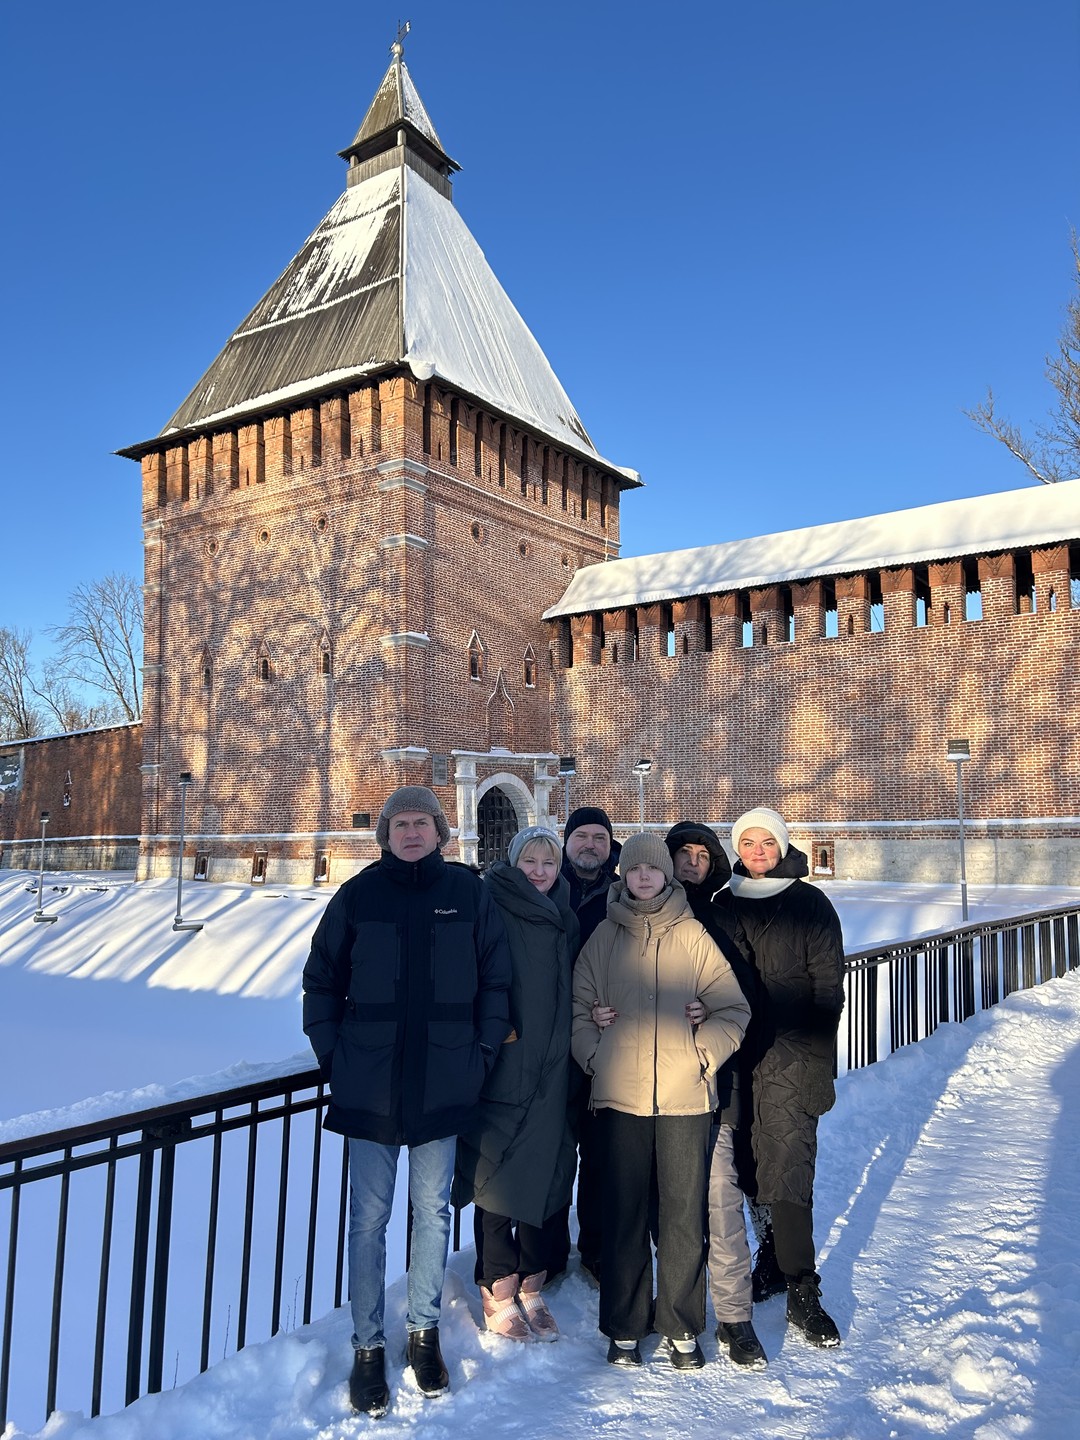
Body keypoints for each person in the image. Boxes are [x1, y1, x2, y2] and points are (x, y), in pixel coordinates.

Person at [302, 786, 511, 1418]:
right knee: (367, 1220)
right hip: (370, 1085)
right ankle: (367, 1344)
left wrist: (480, 1052)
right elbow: (321, 980)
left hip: (443, 1081)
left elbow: (495, 980)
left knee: (433, 1214)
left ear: (440, 831)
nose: (412, 832)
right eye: (401, 824)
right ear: (386, 835)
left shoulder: (468, 893)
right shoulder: (358, 895)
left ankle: (424, 1332)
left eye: (423, 822)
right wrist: (335, 1057)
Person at [572, 833, 750, 1370]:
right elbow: (579, 1009)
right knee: (624, 1217)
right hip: (620, 1099)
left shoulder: (693, 934)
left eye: (652, 869)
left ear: (666, 876)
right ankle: (625, 1327)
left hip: (684, 1100)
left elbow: (733, 1009)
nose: (644, 877)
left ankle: (680, 1324)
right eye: (635, 869)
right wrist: (596, 1055)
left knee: (681, 1216)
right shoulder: (604, 936)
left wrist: (702, 1054)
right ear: (624, 875)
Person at [719, 806, 846, 1349]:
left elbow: (828, 989)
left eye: (766, 842)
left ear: (782, 846)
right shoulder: (723, 904)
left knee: (790, 1166)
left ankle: (802, 1286)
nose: (757, 852)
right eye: (747, 843)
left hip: (791, 1057)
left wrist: (818, 1065)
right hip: (735, 1056)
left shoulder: (809, 903)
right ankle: (769, 1255)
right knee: (748, 1165)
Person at [454, 826, 579, 1340]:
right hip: (508, 1057)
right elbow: (468, 971)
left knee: (543, 1169)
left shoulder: (566, 913)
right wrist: (489, 1027)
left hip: (554, 1062)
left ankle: (531, 1280)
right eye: (530, 861)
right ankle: (496, 1282)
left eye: (549, 862)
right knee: (496, 1168)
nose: (540, 871)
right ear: (512, 862)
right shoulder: (493, 904)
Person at [664, 822, 768, 1369]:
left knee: (721, 1201)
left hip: (714, 1083)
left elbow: (743, 997)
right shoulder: (645, 914)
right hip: (656, 1088)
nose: (691, 862)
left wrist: (711, 1013)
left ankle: (734, 1316)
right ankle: (674, 1314)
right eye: (683, 853)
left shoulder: (725, 918)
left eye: (702, 855)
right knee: (668, 1210)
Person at [559, 806, 622, 1283]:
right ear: (566, 841)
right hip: (551, 1042)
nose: (590, 845)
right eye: (581, 835)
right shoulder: (545, 884)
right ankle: (546, 1248)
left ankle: (597, 1247)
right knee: (555, 1149)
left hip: (605, 1041)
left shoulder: (622, 893)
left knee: (602, 1153)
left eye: (599, 837)